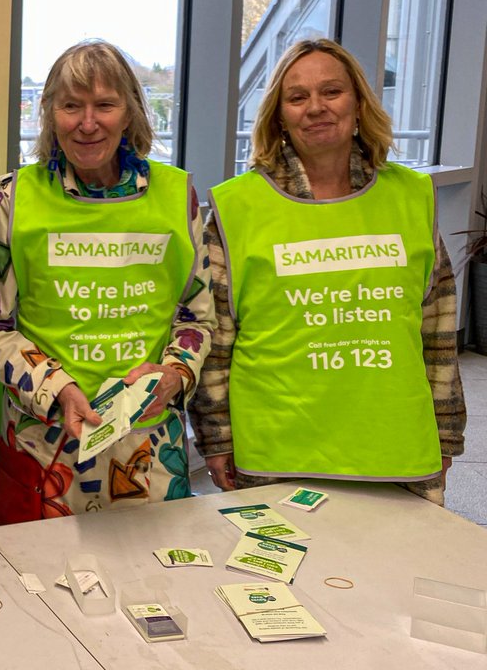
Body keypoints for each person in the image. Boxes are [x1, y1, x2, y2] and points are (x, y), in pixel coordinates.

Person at [191, 38, 465, 500]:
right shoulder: (237, 207)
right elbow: (217, 341)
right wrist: (217, 438)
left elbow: (437, 330)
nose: (315, 107)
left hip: (395, 447)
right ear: (279, 115)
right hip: (275, 455)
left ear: (358, 103)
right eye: (297, 97)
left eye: (332, 92)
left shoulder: (411, 197)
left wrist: (447, 431)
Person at [0, 40, 215, 518]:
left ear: (129, 113)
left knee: (154, 587)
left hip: (148, 453)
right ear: (49, 113)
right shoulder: (15, 198)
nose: (88, 123)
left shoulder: (177, 194)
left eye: (105, 105)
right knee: (33, 586)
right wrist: (56, 387)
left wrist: (174, 375)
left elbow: (197, 318)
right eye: (71, 106)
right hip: (44, 450)